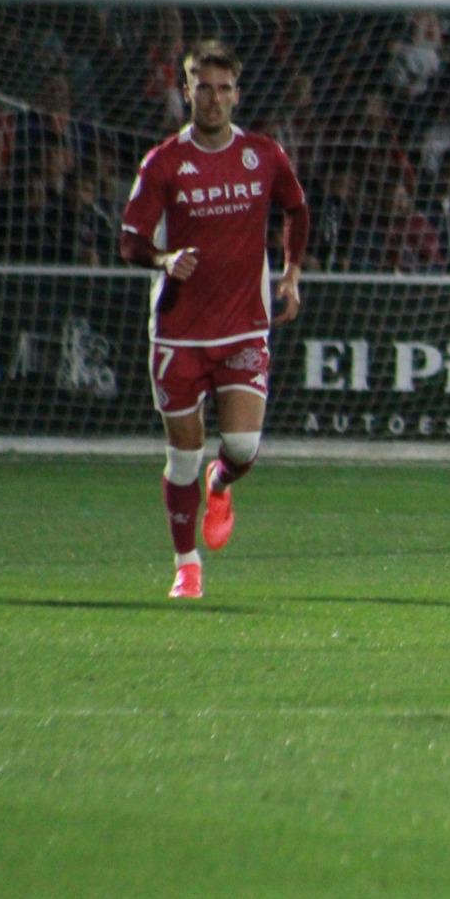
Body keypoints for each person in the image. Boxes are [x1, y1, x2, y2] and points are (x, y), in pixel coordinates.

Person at [117, 39, 310, 599]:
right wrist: (163, 259)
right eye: (204, 87)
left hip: (245, 325)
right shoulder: (164, 163)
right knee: (181, 455)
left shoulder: (263, 154)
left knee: (244, 448)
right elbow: (129, 241)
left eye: (224, 89)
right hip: (179, 331)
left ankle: (220, 481)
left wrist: (292, 273)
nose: (215, 98)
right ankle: (187, 565)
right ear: (187, 91)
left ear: (237, 94)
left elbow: (296, 207)